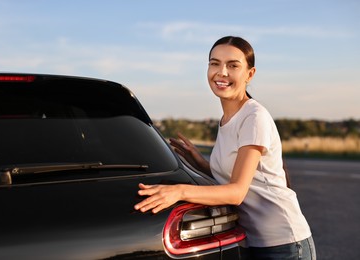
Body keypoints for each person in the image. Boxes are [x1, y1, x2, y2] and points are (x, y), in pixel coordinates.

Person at [134, 36, 316, 260]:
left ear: (250, 74)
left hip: (285, 243)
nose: (222, 72)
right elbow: (235, 178)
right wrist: (201, 163)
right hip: (253, 241)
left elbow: (236, 192)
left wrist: (178, 191)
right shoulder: (227, 119)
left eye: (233, 66)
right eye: (214, 63)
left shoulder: (253, 117)